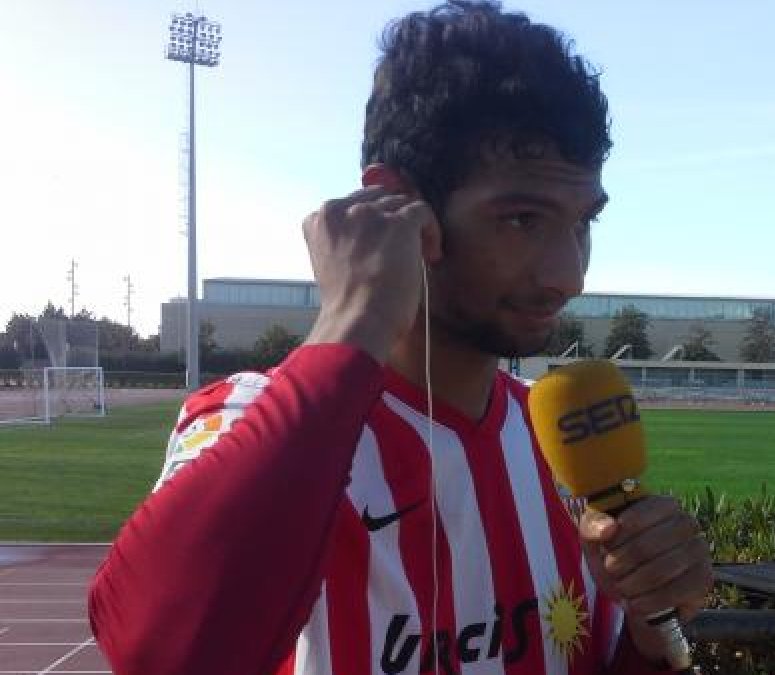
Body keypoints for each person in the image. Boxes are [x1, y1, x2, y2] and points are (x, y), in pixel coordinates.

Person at [88, 3, 713, 674]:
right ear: (399, 207)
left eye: (582, 221)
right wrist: (353, 316)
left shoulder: (556, 441)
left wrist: (650, 639)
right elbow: (161, 651)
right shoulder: (246, 419)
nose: (568, 274)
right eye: (522, 218)